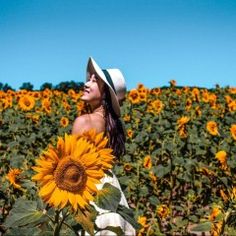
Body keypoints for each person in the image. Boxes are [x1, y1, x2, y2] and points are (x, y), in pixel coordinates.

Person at [72, 57, 136, 235]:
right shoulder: (114, 126)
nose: (86, 83)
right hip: (110, 187)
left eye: (94, 81)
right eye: (89, 78)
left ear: (106, 92)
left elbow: (70, 167)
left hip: (86, 188)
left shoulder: (83, 121)